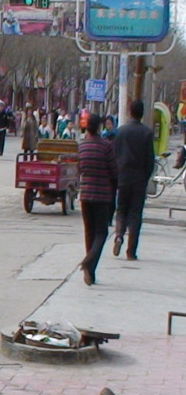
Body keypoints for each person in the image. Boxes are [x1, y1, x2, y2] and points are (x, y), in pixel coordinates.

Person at [78, 114, 118, 286]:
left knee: (89, 232)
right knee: (102, 233)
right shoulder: (105, 146)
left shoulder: (82, 147)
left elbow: (80, 168)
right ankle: (88, 262)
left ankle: (90, 272)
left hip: (85, 195)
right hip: (102, 196)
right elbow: (114, 171)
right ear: (99, 128)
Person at [112, 99, 155, 260]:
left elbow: (114, 155)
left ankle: (118, 235)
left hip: (123, 177)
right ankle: (131, 251)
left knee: (121, 209)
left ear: (130, 112)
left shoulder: (121, 131)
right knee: (136, 214)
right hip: (139, 179)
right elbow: (150, 160)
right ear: (142, 113)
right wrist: (145, 177)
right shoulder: (147, 133)